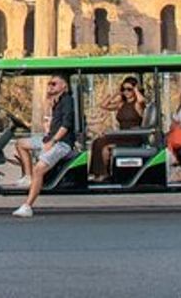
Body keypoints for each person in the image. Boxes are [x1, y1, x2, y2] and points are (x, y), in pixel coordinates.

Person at [12, 76, 75, 217]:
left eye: (54, 84)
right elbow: (47, 122)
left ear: (64, 86)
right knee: (20, 143)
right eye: (49, 84)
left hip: (62, 143)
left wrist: (52, 142)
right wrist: (48, 103)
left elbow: (66, 125)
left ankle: (27, 206)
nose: (50, 86)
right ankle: (28, 177)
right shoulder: (56, 102)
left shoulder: (67, 101)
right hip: (49, 138)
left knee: (39, 169)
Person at [88, 76, 148, 181]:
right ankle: (97, 173)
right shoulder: (122, 104)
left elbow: (141, 99)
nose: (126, 92)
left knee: (105, 146)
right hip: (121, 134)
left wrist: (135, 89)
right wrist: (117, 93)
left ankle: (104, 174)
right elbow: (103, 105)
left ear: (135, 90)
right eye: (124, 89)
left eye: (129, 89)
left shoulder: (138, 105)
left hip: (132, 136)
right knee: (97, 141)